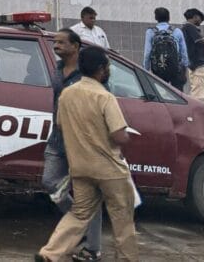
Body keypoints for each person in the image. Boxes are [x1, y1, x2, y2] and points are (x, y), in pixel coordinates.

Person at [37, 46, 138, 262]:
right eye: (108, 66)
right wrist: (126, 139)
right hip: (110, 170)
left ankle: (49, 254)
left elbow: (61, 126)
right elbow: (119, 136)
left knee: (79, 214)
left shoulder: (66, 94)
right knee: (122, 220)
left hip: (81, 169)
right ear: (101, 69)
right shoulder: (105, 96)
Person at [41, 29, 103, 262]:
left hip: (82, 142)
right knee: (49, 182)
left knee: (89, 195)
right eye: (55, 42)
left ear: (75, 46)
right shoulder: (56, 70)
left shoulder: (87, 72)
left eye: (62, 42)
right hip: (57, 139)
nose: (56, 45)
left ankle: (92, 248)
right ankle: (78, 224)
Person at [143, 7, 189, 90]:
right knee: (178, 95)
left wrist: (146, 69)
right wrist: (184, 67)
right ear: (169, 18)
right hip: (176, 69)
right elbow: (183, 52)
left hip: (158, 69)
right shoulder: (177, 31)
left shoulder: (150, 32)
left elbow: (147, 53)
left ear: (156, 18)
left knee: (161, 94)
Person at [181, 8, 204, 102]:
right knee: (200, 90)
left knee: (196, 87)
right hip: (198, 62)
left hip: (192, 62)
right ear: (195, 17)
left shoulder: (184, 29)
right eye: (200, 19)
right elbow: (200, 41)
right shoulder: (190, 27)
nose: (200, 22)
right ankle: (200, 112)